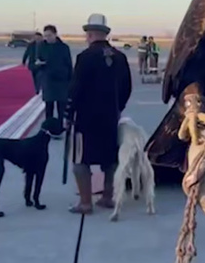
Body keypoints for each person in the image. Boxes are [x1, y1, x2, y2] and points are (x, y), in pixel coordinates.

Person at [64, 13, 132, 214]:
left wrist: (68, 115)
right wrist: (118, 108)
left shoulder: (85, 57)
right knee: (109, 159)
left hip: (86, 119)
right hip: (110, 118)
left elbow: (76, 89)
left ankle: (85, 203)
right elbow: (127, 87)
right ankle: (107, 197)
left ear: (91, 34)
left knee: (80, 160)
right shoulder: (120, 57)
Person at [35, 25, 73, 121]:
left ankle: (60, 128)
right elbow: (36, 61)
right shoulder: (41, 46)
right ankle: (49, 129)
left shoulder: (64, 47)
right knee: (49, 108)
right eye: (46, 36)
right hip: (48, 81)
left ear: (55, 34)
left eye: (49, 35)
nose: (47, 38)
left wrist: (71, 81)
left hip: (62, 81)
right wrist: (39, 64)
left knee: (61, 109)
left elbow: (69, 64)